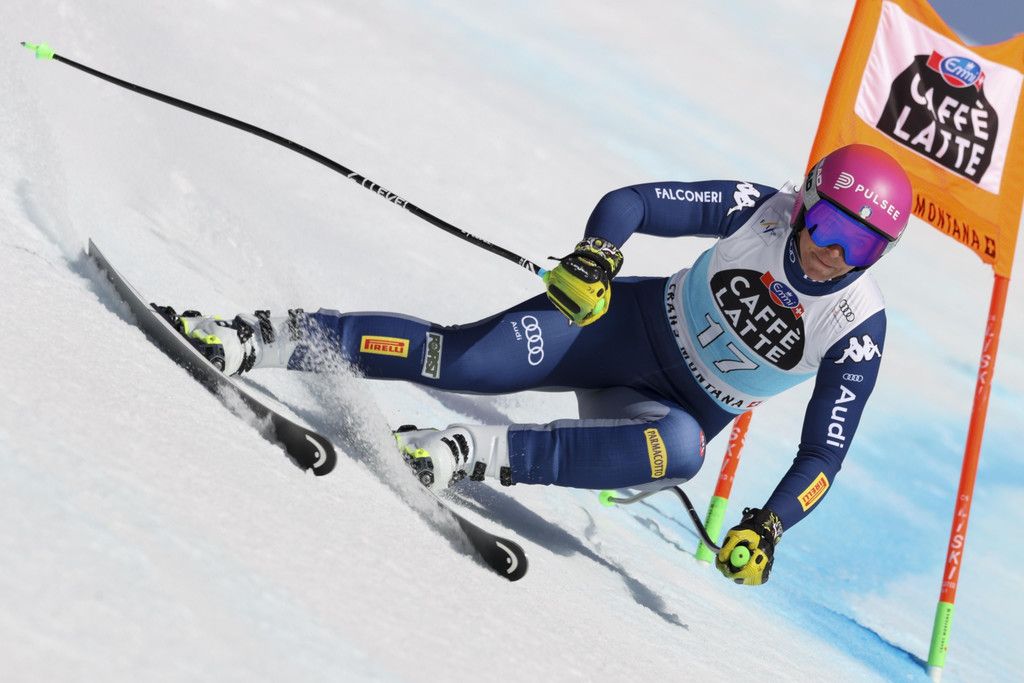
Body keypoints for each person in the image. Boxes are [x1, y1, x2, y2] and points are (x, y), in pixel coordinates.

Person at [174, 143, 912, 586]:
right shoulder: (763, 208)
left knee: (681, 453)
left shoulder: (857, 326)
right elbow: (633, 203)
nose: (833, 253)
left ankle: (467, 452)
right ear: (806, 201)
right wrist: (596, 257)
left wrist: (770, 526)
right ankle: (261, 336)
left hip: (662, 415)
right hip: (615, 329)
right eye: (829, 225)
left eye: (862, 246)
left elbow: (823, 455)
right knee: (457, 360)